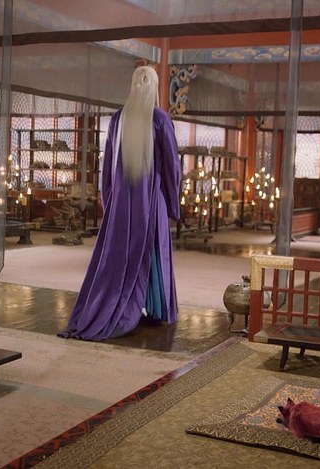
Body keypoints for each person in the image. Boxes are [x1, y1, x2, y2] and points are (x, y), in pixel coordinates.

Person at [59, 66, 181, 340]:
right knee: (153, 252)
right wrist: (173, 203)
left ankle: (117, 306)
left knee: (118, 260)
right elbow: (172, 166)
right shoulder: (160, 119)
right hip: (151, 202)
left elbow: (107, 169)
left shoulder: (118, 120)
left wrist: (109, 202)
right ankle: (156, 308)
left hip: (122, 205)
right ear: (154, 87)